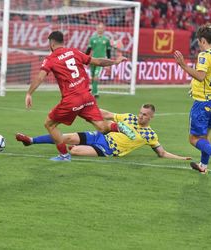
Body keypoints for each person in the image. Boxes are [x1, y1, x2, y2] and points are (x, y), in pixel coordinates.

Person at [17, 30, 131, 162]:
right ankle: (119, 127)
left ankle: (64, 155)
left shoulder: (51, 59)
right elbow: (97, 61)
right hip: (87, 96)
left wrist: (29, 93)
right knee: (101, 126)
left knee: (50, 124)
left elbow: (40, 77)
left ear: (51, 43)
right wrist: (115, 62)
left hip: (72, 99)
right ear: (62, 42)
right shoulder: (74, 52)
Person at [16, 104, 192, 160]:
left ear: (151, 117)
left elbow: (161, 153)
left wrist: (181, 158)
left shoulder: (150, 135)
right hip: (101, 136)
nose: (140, 116)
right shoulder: (129, 117)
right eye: (140, 113)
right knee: (66, 136)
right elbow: (107, 114)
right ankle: (30, 140)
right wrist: (88, 105)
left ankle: (65, 154)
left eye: (145, 115)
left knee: (73, 149)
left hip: (108, 149)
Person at [174, 24, 211, 177]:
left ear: (203, 40)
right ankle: (203, 166)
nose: (198, 44)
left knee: (193, 139)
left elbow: (200, 76)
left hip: (203, 103)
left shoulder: (205, 55)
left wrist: (183, 65)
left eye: (199, 41)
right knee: (205, 136)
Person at [86, 23, 111, 98]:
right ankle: (94, 91)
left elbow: (108, 51)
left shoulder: (106, 40)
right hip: (93, 60)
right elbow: (88, 50)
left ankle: (95, 93)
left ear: (104, 29)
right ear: (96, 29)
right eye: (98, 28)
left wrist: (109, 62)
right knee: (93, 77)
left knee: (96, 76)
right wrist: (84, 59)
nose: (100, 29)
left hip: (101, 61)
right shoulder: (92, 38)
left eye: (101, 28)